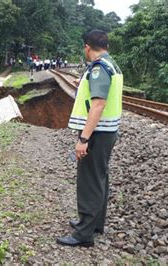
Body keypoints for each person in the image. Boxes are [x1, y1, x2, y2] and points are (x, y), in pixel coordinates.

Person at [57, 30, 123, 247]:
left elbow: (98, 104)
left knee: (89, 181)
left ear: (87, 46)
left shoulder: (99, 68)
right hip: (106, 132)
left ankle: (84, 234)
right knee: (99, 177)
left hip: (97, 133)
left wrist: (83, 139)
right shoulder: (112, 64)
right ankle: (94, 224)